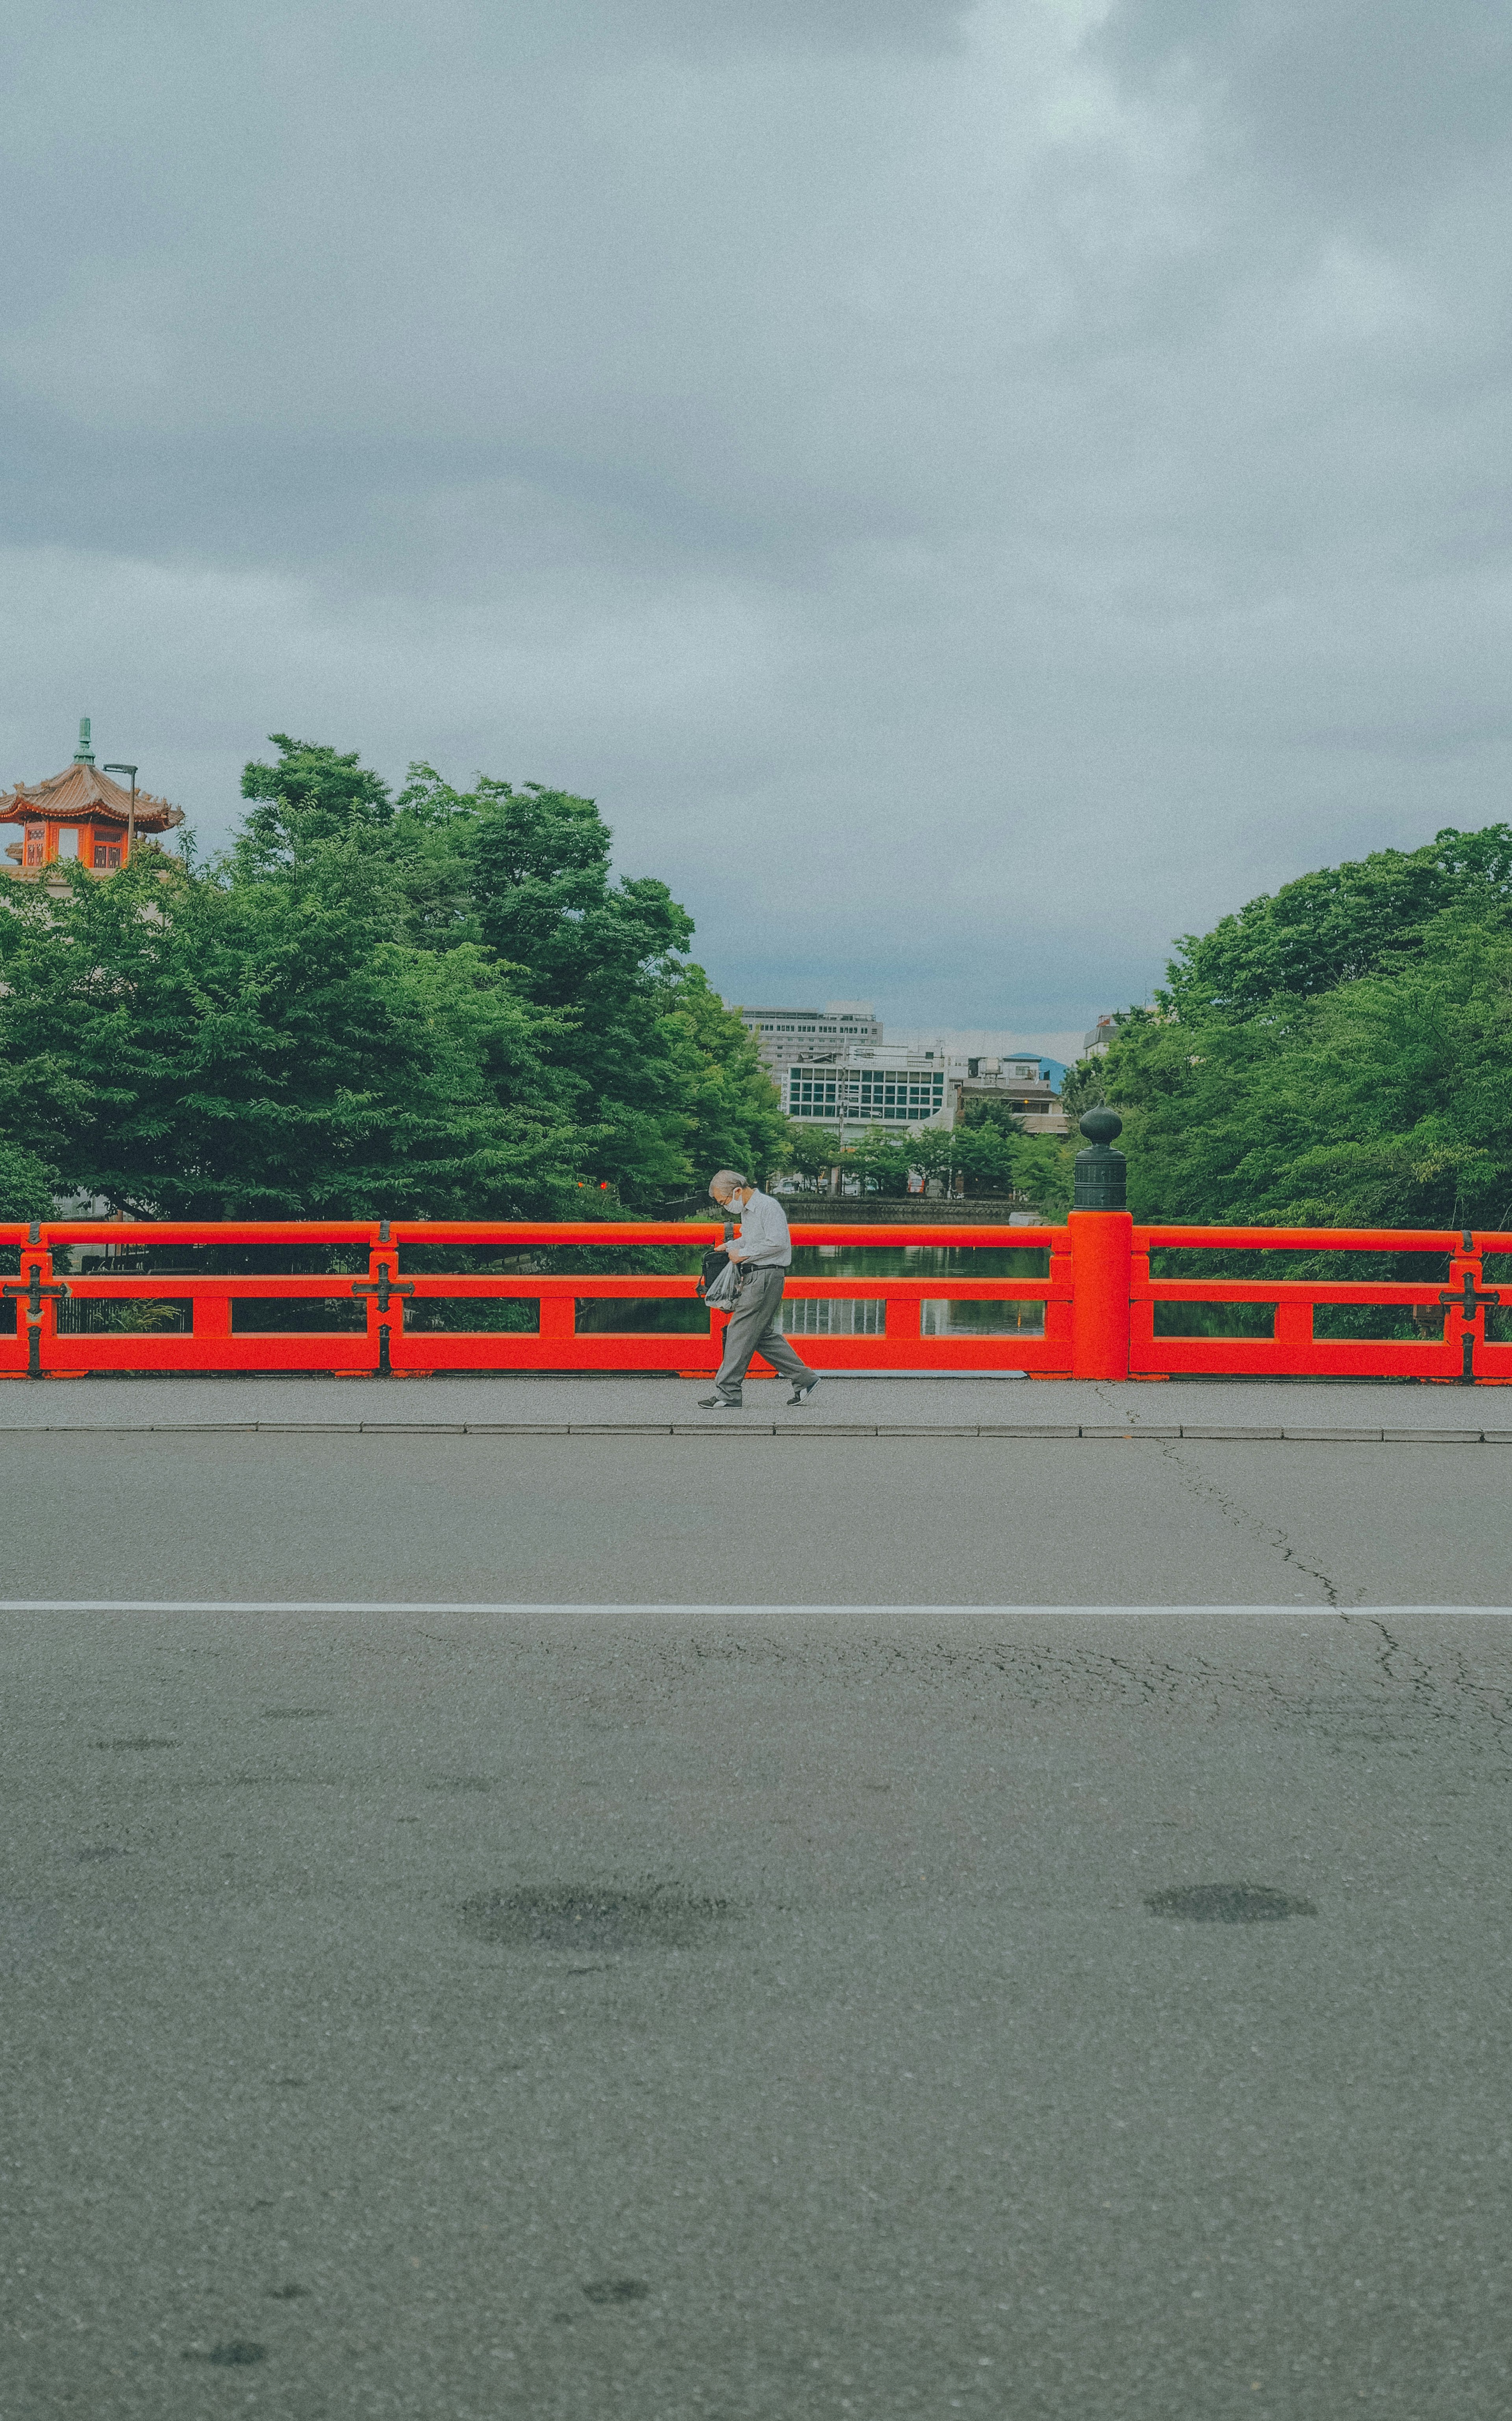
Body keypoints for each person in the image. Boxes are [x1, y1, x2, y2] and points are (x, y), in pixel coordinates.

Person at [698, 1170, 821, 1411]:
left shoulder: (768, 1206)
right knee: (761, 1334)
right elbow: (754, 1239)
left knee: (739, 1331)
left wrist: (743, 1253)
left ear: (737, 1191)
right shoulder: (749, 1210)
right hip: (759, 1275)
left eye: (724, 1202)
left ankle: (729, 1394)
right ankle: (805, 1379)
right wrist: (732, 1245)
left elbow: (778, 1242)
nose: (726, 1207)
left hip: (766, 1275)